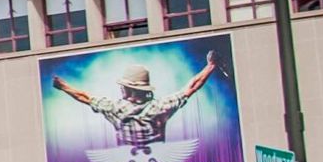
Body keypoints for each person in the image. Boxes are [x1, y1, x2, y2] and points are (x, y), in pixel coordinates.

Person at [51, 51, 219, 146]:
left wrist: (63, 86)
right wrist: (210, 67)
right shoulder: (161, 107)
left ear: (130, 89)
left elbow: (83, 96)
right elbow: (192, 87)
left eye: (123, 86)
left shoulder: (114, 108)